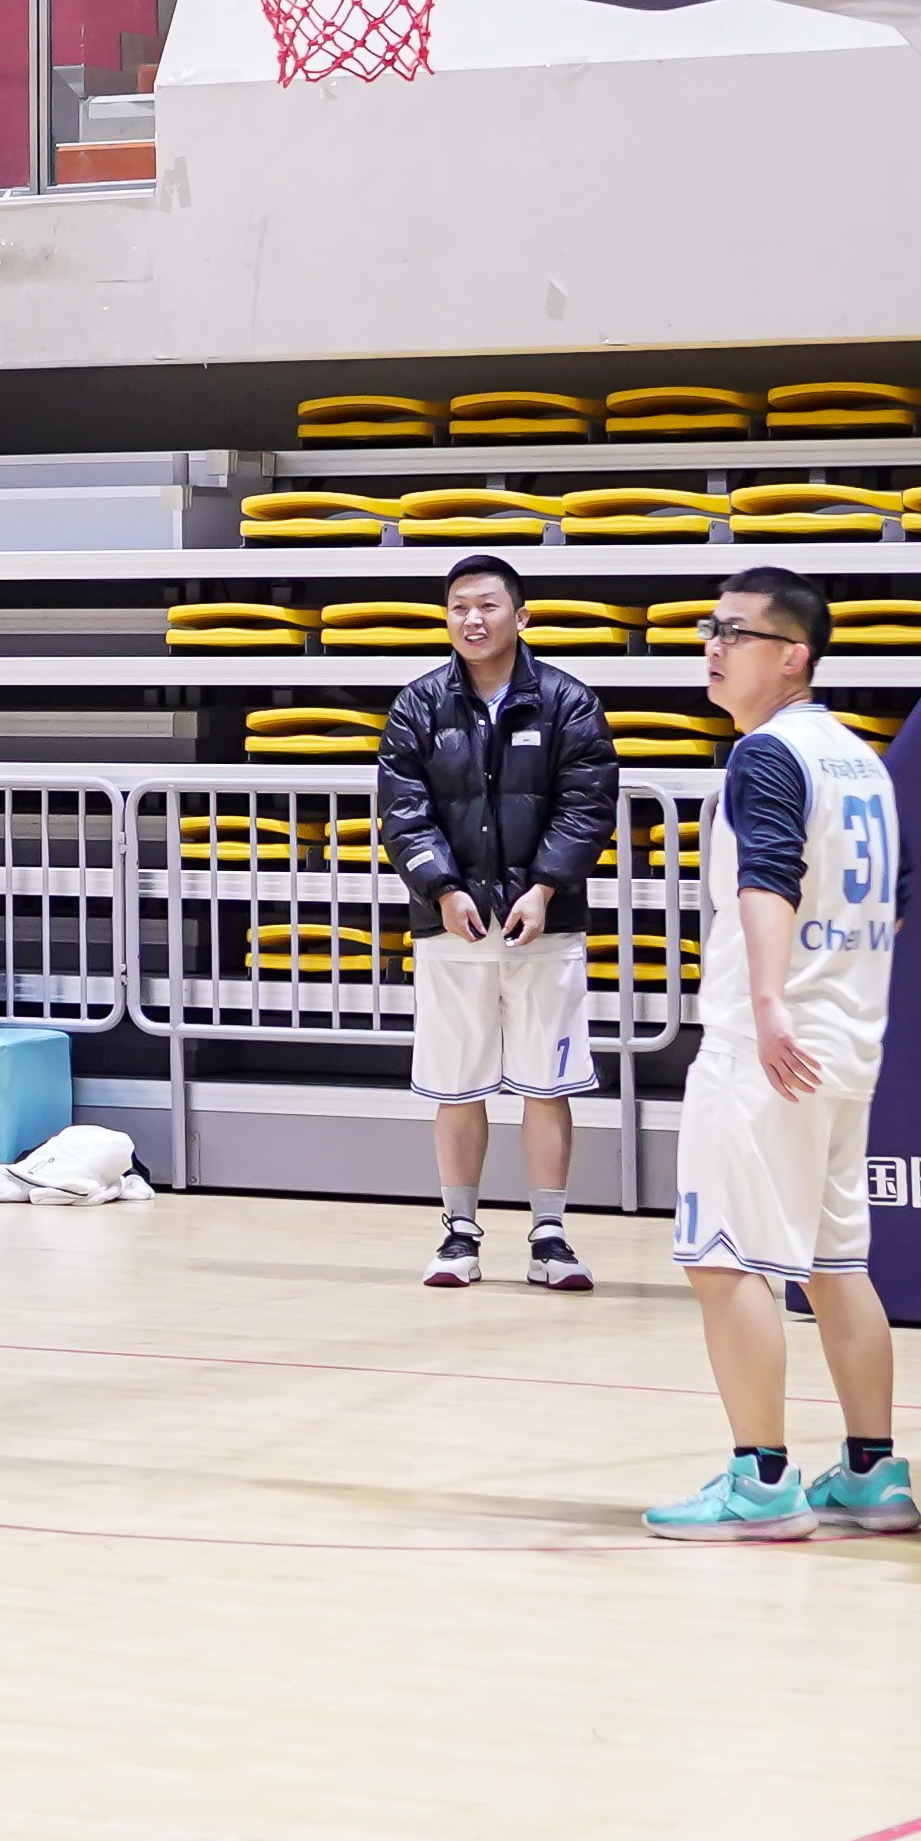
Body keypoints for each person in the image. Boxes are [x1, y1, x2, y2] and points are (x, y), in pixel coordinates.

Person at [648, 567, 916, 1540]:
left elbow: (768, 879)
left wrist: (767, 1003)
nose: (713, 647)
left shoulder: (768, 754)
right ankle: (874, 1474)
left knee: (723, 1261)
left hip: (770, 1047)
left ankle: (761, 1482)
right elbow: (896, 900)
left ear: (793, 655)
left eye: (736, 632)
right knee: (837, 1261)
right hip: (848, 1042)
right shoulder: (862, 760)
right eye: (710, 629)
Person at [372, 550, 616, 1292]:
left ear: (521, 615)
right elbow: (403, 811)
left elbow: (587, 806)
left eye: (487, 605)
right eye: (459, 608)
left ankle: (550, 1236)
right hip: (451, 928)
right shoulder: (417, 706)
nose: (471, 620)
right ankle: (459, 1232)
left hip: (547, 926)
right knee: (456, 1084)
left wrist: (543, 889)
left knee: (548, 1083)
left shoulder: (570, 702)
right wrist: (443, 890)